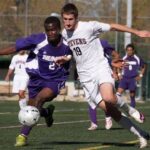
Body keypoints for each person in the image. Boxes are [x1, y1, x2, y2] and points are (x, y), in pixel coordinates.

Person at [59, 3, 150, 148]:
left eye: (70, 19)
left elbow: (113, 26)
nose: (68, 22)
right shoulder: (64, 34)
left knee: (109, 97)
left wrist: (137, 32)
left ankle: (130, 109)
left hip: (100, 68)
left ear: (76, 18)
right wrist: (65, 58)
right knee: (112, 111)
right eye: (65, 19)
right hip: (85, 77)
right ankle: (141, 134)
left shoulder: (89, 26)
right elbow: (75, 52)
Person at [0, 16, 72, 147]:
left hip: (55, 80)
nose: (51, 33)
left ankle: (22, 136)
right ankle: (47, 113)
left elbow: (82, 55)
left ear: (59, 29)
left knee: (39, 100)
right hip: (36, 79)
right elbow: (14, 47)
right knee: (32, 106)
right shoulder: (38, 39)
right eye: (48, 30)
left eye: (54, 30)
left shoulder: (68, 43)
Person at [117, 43, 146, 108]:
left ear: (133, 51)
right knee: (118, 94)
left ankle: (132, 110)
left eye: (130, 50)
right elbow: (118, 67)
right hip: (124, 79)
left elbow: (143, 67)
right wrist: (119, 74)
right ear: (126, 51)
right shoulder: (123, 58)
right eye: (128, 50)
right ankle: (115, 110)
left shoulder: (137, 58)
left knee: (132, 95)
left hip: (133, 79)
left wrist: (140, 75)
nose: (129, 51)